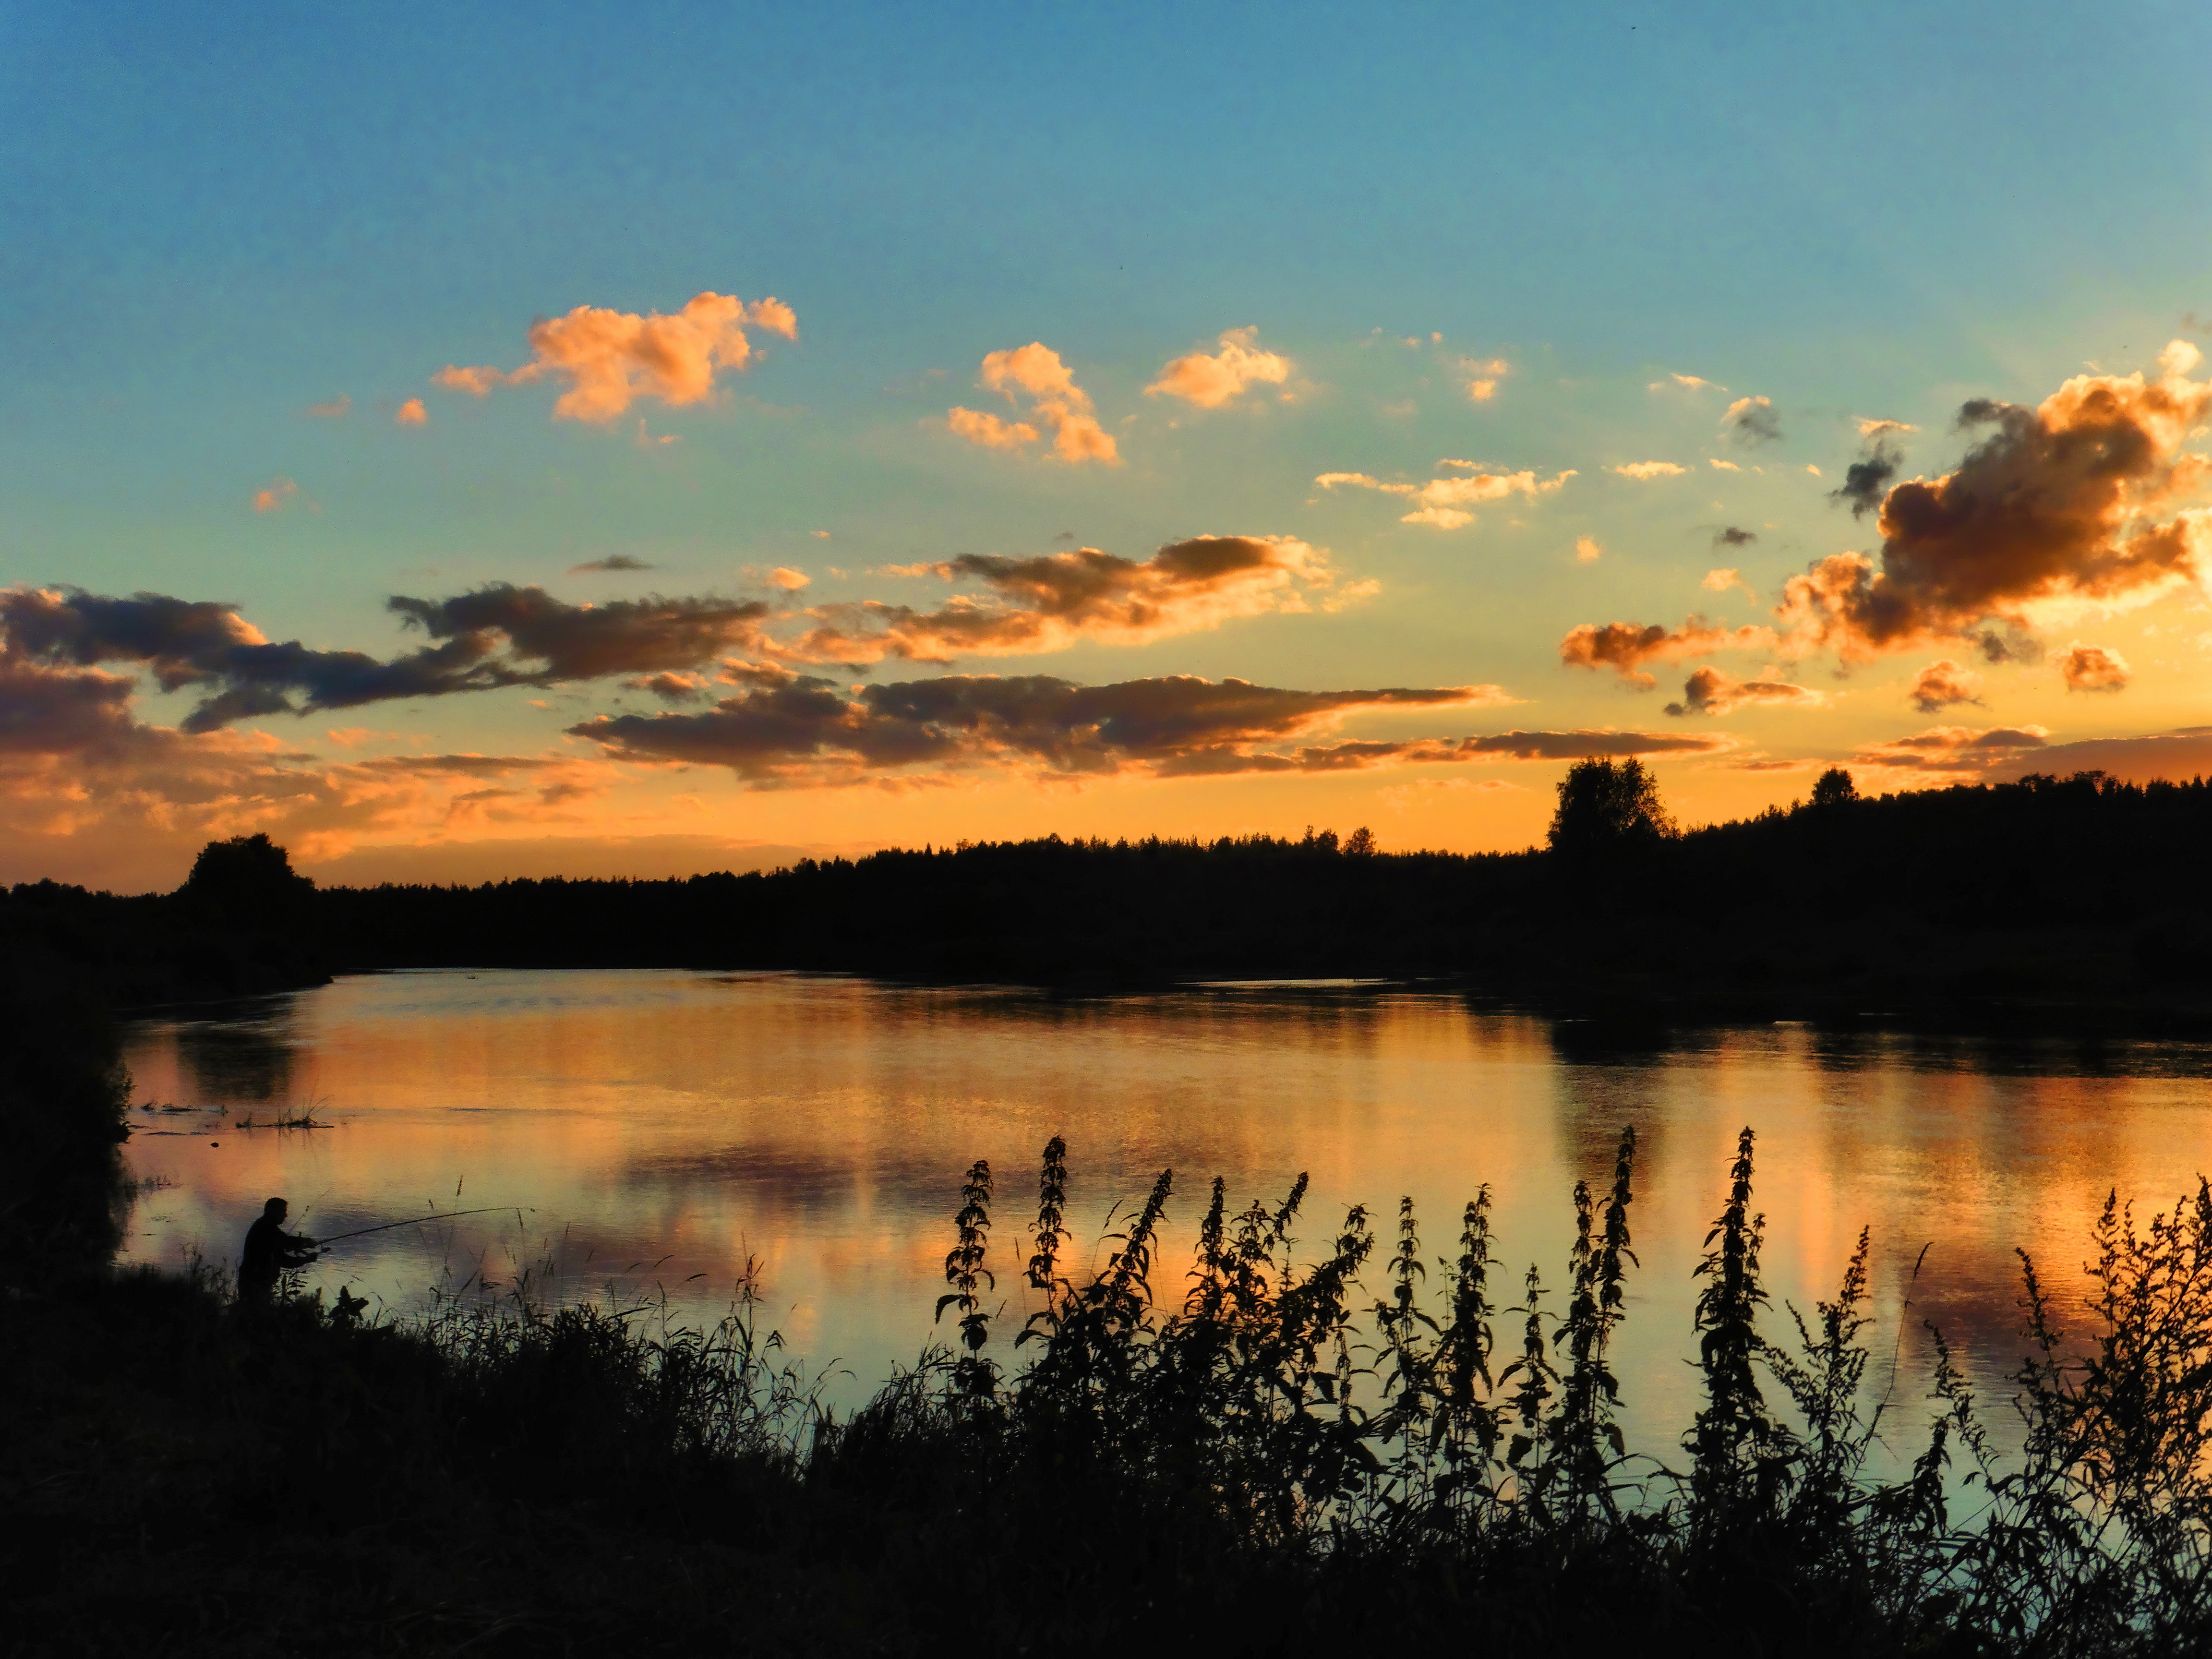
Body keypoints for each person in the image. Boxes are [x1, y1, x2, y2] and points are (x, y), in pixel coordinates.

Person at [238, 1196, 318, 1299]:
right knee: (255, 1311)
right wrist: (307, 1258)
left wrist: (305, 1243)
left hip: (254, 1280)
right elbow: (283, 1258)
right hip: (256, 1283)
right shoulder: (268, 1229)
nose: (286, 1215)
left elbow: (284, 1242)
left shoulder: (265, 1226)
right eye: (283, 1211)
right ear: (273, 1211)